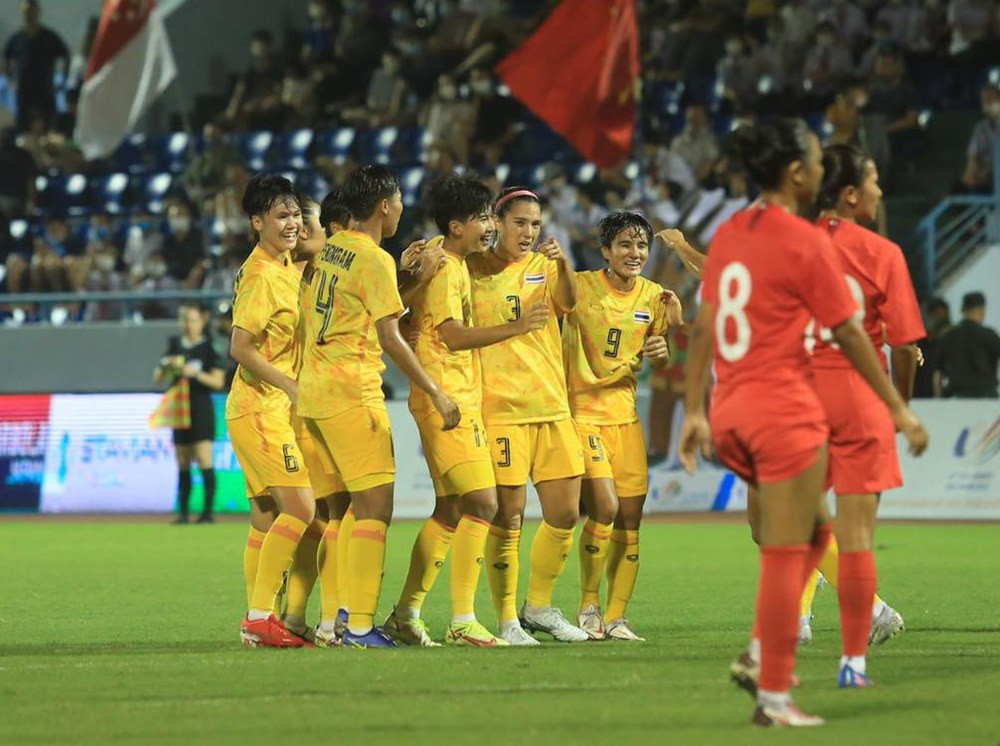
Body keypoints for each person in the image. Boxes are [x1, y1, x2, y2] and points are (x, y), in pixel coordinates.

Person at [677, 119, 927, 727]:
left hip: (731, 408)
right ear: (796, 172)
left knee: (808, 537)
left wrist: (692, 409)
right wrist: (896, 406)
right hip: (782, 407)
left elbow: (708, 324)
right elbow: (847, 331)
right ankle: (772, 687)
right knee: (791, 550)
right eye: (816, 158)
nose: (822, 167)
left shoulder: (733, 231)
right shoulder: (806, 239)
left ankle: (768, 659)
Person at [297, 165, 460, 648]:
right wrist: (435, 390)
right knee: (375, 510)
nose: (403, 208)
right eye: (400, 200)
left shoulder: (330, 251)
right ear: (385, 205)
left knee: (344, 509)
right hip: (351, 392)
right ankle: (362, 626)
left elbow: (350, 311)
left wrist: (408, 276)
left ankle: (339, 617)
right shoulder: (372, 259)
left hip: (313, 393)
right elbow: (389, 335)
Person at [384, 174, 548, 648]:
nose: (490, 227)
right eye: (482, 219)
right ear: (458, 227)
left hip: (458, 395)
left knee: (453, 507)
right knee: (485, 502)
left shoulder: (443, 255)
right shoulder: (444, 268)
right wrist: (515, 327)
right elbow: (451, 335)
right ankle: (461, 619)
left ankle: (406, 612)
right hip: (446, 394)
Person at [797, 145, 926, 676]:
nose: (878, 190)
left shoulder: (788, 247)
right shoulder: (882, 252)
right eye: (872, 181)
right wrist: (901, 406)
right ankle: (852, 662)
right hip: (861, 399)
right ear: (850, 194)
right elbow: (903, 345)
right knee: (856, 540)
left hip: (800, 399)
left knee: (797, 525)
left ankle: (781, 640)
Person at [466, 186, 589, 645]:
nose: (529, 231)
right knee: (509, 517)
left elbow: (570, 303)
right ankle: (505, 620)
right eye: (520, 222)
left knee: (564, 513)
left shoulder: (545, 266)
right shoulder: (472, 270)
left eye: (535, 224)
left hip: (552, 407)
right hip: (501, 410)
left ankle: (538, 606)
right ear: (496, 222)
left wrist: (563, 263)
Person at [562, 211, 680, 641]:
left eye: (641, 246)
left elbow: (660, 352)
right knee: (605, 508)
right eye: (625, 245)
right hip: (584, 415)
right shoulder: (579, 286)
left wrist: (662, 347)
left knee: (631, 519)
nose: (635, 254)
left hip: (626, 418)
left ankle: (616, 617)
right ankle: (588, 605)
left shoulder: (654, 297)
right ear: (605, 250)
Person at [227, 174, 315, 648]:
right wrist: (290, 384)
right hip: (260, 408)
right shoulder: (261, 275)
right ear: (257, 222)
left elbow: (317, 242)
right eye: (281, 216)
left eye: (296, 213)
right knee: (301, 508)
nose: (293, 223)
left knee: (265, 518)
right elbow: (240, 347)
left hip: (265, 408)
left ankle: (257, 619)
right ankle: (261, 616)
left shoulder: (285, 264)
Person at [154, 305, 226, 524]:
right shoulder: (174, 346)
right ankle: (183, 512)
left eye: (194, 320)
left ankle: (207, 512)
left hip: (200, 406)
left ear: (201, 322)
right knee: (182, 459)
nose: (190, 325)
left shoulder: (209, 348)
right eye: (186, 320)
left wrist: (196, 374)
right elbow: (157, 377)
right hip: (180, 406)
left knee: (204, 457)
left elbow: (218, 381)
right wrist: (168, 368)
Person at [3, 0, 69, 131]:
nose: (29, 15)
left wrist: (62, 83)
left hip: (45, 91)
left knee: (48, 129)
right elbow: (6, 58)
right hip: (24, 93)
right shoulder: (17, 39)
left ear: (38, 12)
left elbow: (66, 56)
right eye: (26, 12)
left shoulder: (49, 37)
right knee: (23, 130)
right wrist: (11, 81)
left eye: (32, 12)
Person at [934, 292, 1000, 398]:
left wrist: (938, 402)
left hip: (958, 397)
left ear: (963, 311)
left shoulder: (948, 337)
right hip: (987, 397)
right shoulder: (990, 336)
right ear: (982, 311)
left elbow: (938, 375)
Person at [958, 84, 1000, 194]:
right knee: (960, 187)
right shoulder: (981, 128)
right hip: (986, 175)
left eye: (992, 99)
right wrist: (969, 176)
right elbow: (973, 156)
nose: (988, 104)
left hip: (995, 172)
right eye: (985, 100)